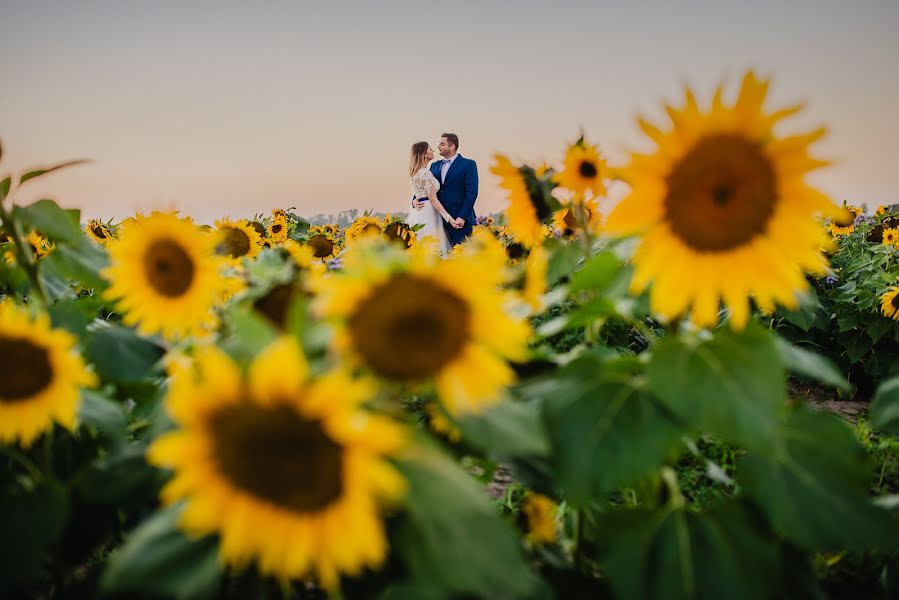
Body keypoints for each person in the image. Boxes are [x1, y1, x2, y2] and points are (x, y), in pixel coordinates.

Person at [412, 133, 478, 246]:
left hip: (459, 220)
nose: (438, 146)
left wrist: (462, 217)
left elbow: (472, 193)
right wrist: (414, 200)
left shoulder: (468, 164)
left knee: (463, 256)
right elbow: (426, 186)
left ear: (452, 147)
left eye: (442, 144)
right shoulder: (434, 166)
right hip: (437, 218)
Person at [405, 141, 452, 253]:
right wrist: (449, 218)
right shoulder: (425, 173)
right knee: (432, 245)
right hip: (428, 212)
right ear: (424, 154)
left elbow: (419, 194)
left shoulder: (415, 173)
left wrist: (413, 202)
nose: (433, 150)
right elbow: (433, 199)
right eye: (430, 149)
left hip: (419, 211)